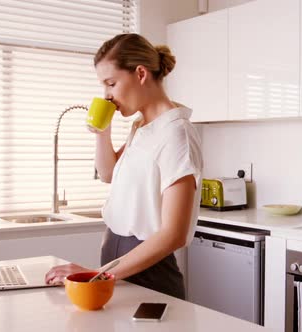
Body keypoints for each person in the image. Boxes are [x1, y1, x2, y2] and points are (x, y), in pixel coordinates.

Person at [45, 33, 203, 300]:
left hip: (150, 273)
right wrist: (102, 133)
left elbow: (174, 234)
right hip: (117, 261)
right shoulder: (142, 127)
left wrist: (98, 275)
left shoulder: (176, 135)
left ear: (140, 73)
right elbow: (108, 174)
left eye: (111, 83)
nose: (107, 96)